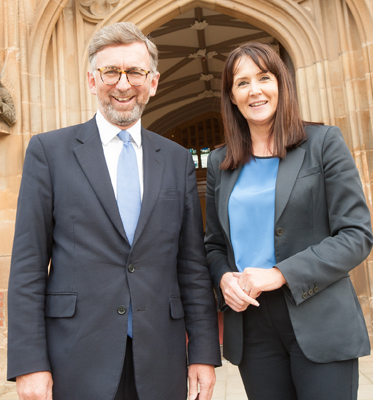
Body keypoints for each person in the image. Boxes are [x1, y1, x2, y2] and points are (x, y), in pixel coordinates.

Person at [7, 22, 221, 400]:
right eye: (111, 71)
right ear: (92, 80)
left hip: (161, 357)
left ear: (153, 82)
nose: (123, 84)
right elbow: (27, 266)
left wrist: (203, 352)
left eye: (135, 72)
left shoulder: (175, 159)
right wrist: (29, 363)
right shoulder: (49, 152)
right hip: (75, 357)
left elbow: (191, 265)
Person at [205, 42, 373, 400]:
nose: (255, 90)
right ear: (231, 97)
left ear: (282, 84)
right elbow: (215, 244)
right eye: (242, 82)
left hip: (319, 319)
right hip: (253, 327)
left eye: (264, 78)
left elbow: (356, 235)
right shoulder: (221, 162)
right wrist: (223, 278)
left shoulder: (323, 143)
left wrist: (280, 274)